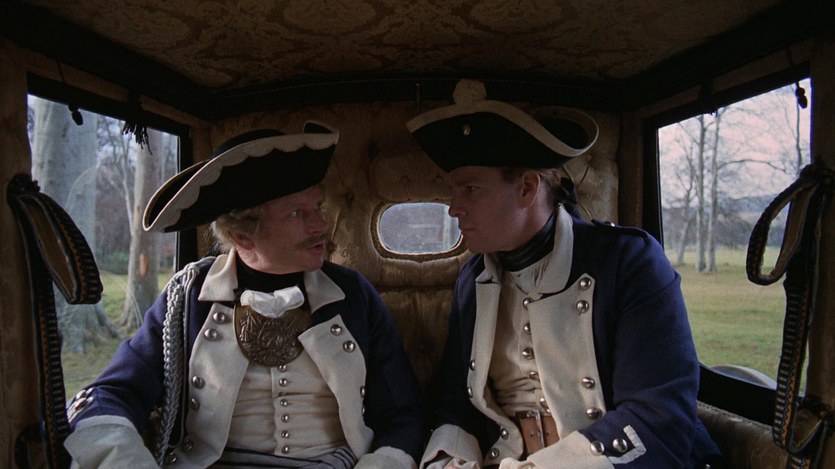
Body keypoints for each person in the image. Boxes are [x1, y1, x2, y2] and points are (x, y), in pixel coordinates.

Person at [64, 122, 425, 469]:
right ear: (242, 235)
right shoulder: (187, 298)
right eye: (297, 213)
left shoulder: (353, 295)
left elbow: (402, 413)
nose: (320, 226)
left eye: (317, 208)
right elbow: (111, 395)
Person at [406, 80, 723, 469]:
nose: (454, 208)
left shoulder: (628, 263)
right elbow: (456, 402)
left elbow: (657, 416)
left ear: (527, 188)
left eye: (470, 190)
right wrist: (448, 461)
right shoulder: (472, 281)